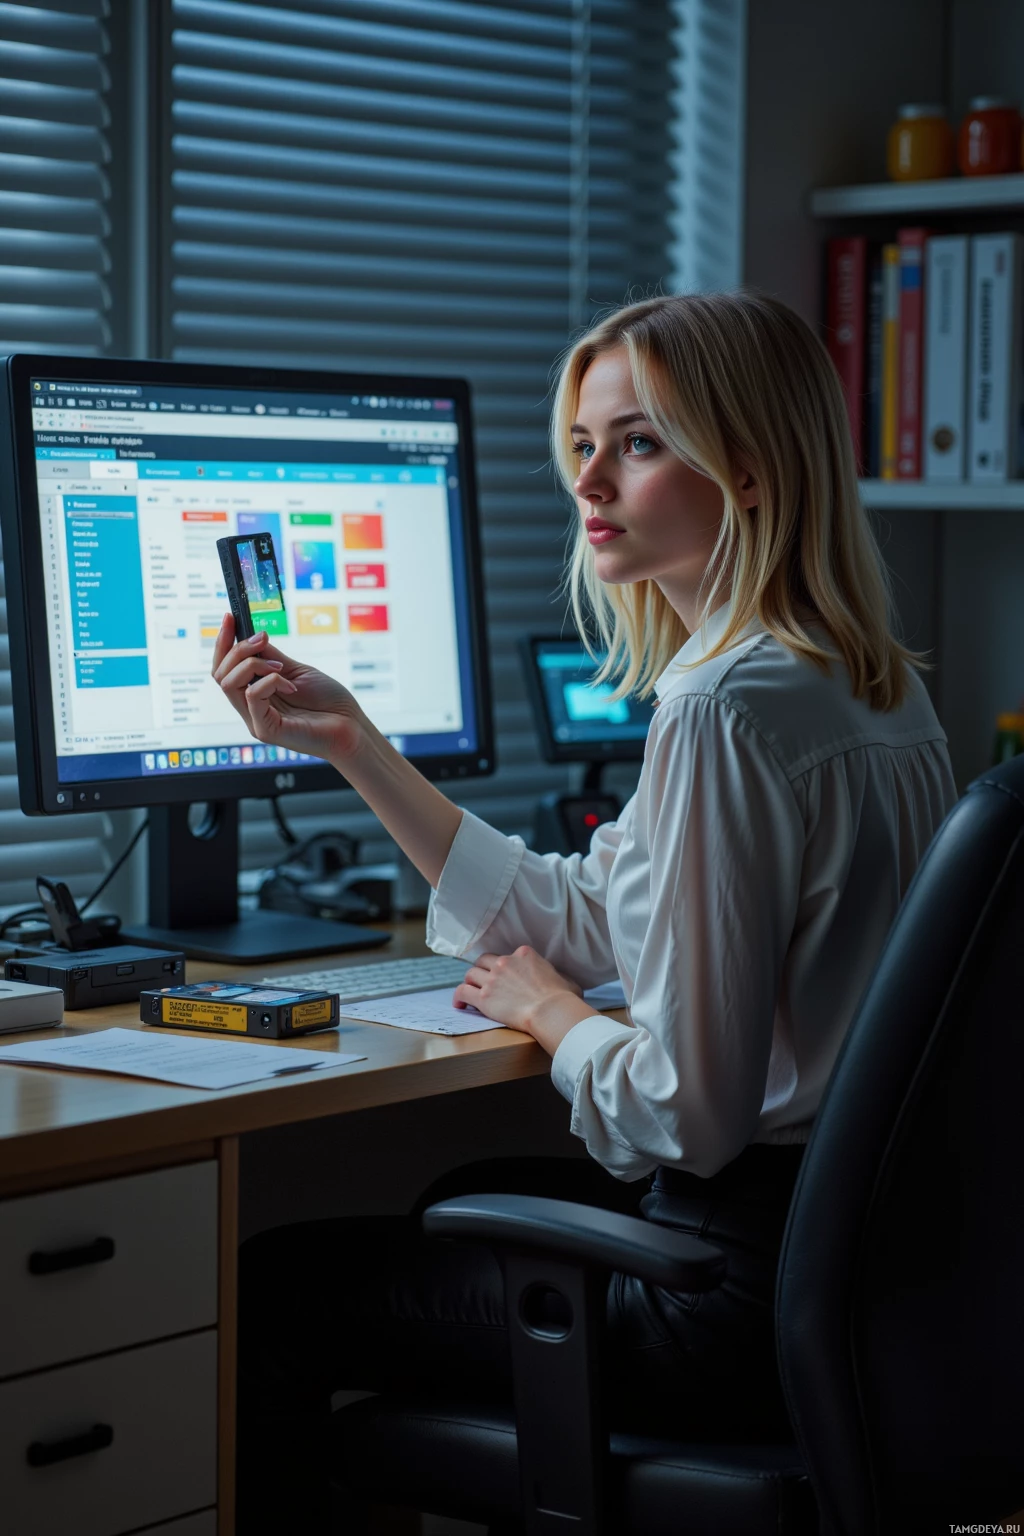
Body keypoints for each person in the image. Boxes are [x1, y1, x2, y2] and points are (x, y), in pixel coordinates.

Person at [213, 291, 957, 1530]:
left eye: (639, 442)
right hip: (856, 1277)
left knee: (280, 1288)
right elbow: (599, 912)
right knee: (462, 1191)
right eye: (580, 445)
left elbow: (688, 1109)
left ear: (754, 470)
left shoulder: (720, 709)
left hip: (729, 1303)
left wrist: (557, 1019)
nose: (589, 481)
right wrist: (352, 742)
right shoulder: (857, 684)